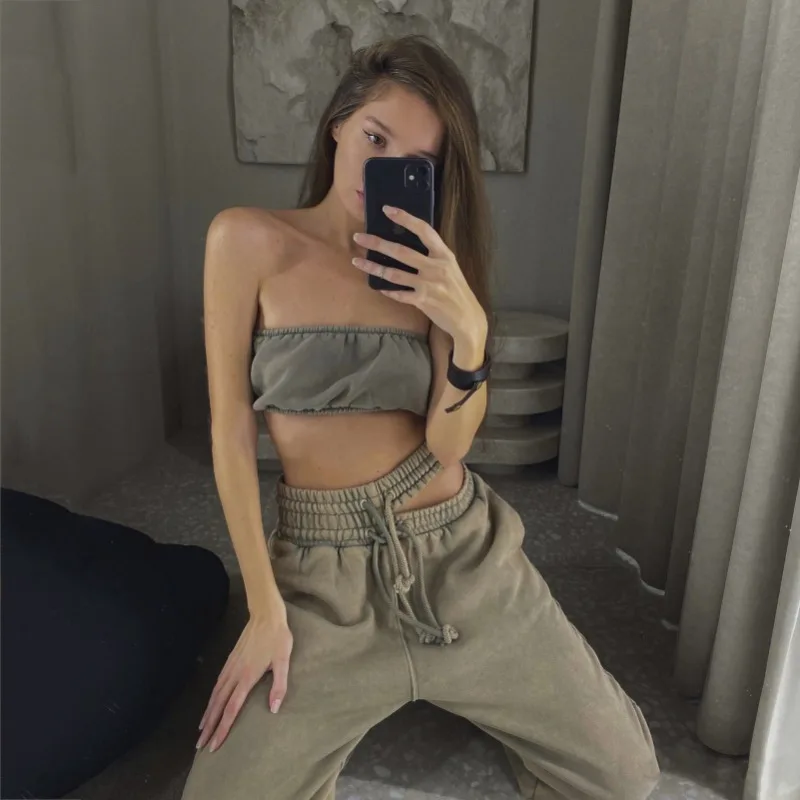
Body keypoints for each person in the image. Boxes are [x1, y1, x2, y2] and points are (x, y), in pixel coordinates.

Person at [181, 35, 660, 800]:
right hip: (323, 579)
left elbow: (447, 443)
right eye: (376, 139)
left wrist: (468, 333)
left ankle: (495, 701)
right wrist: (265, 607)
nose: (383, 169)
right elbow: (230, 433)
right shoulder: (245, 240)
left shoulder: (433, 268)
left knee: (627, 776)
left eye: (416, 162)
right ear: (338, 124)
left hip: (458, 554)